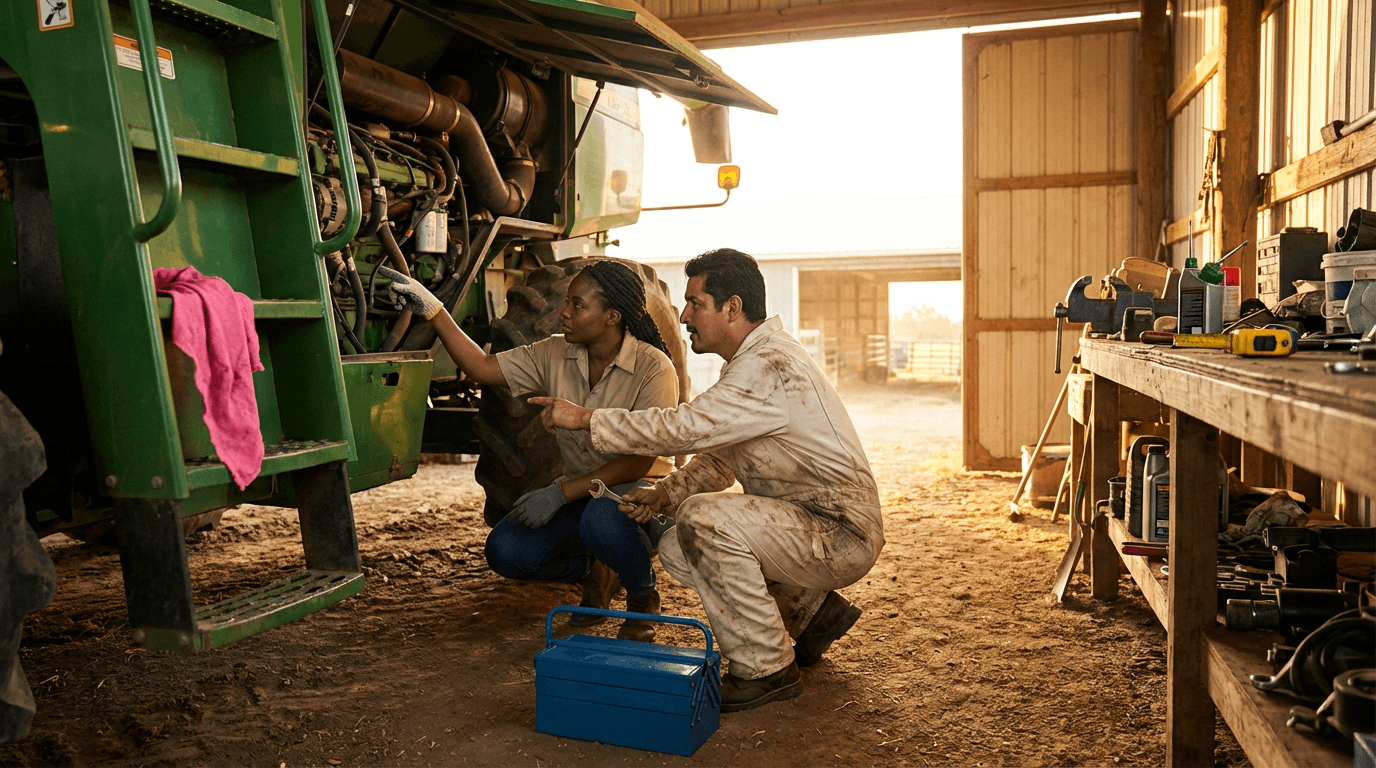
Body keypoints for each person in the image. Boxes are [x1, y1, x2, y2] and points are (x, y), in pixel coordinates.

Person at [530, 248, 884, 713]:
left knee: (705, 520)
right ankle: (812, 612)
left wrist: (584, 418)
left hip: (839, 530)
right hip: (811, 525)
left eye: (695, 303)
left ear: (732, 308)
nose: (683, 315)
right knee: (680, 544)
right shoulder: (752, 365)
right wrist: (662, 495)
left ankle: (766, 670)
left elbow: (684, 427)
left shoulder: (767, 366)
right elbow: (719, 457)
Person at [379, 261, 677, 642]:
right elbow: (483, 368)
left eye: (578, 305)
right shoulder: (555, 353)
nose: (564, 313)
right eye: (567, 302)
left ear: (612, 317)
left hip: (642, 501)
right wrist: (436, 310)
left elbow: (639, 461)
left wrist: (559, 493)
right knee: (506, 552)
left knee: (603, 517)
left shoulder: (654, 369)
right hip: (583, 496)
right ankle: (594, 570)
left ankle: (642, 595)